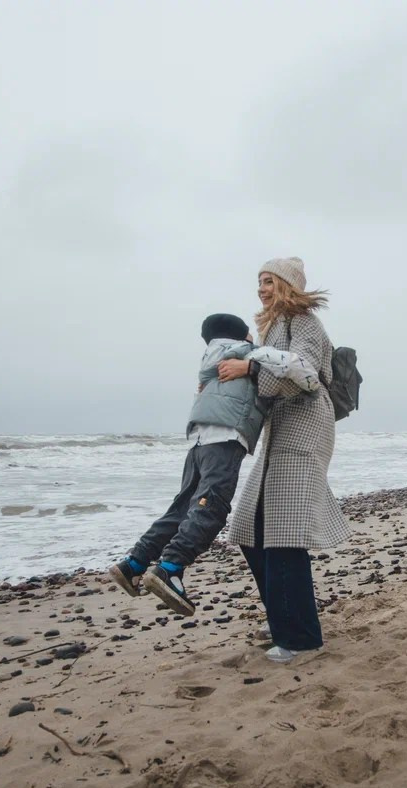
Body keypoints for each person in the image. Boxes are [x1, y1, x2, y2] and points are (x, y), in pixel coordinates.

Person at [108, 312, 323, 617]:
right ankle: (170, 568)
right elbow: (305, 374)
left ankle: (134, 563)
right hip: (225, 437)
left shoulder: (210, 359)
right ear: (242, 335)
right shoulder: (250, 353)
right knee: (213, 507)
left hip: (198, 439)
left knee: (184, 507)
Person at [218, 257, 351, 663]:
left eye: (269, 281)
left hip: (305, 427)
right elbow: (270, 383)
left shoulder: (304, 319)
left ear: (288, 285)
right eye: (259, 281)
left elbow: (306, 373)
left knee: (284, 534)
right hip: (281, 430)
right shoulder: (272, 328)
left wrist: (251, 363)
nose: (262, 288)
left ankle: (300, 638)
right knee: (250, 528)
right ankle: (283, 618)